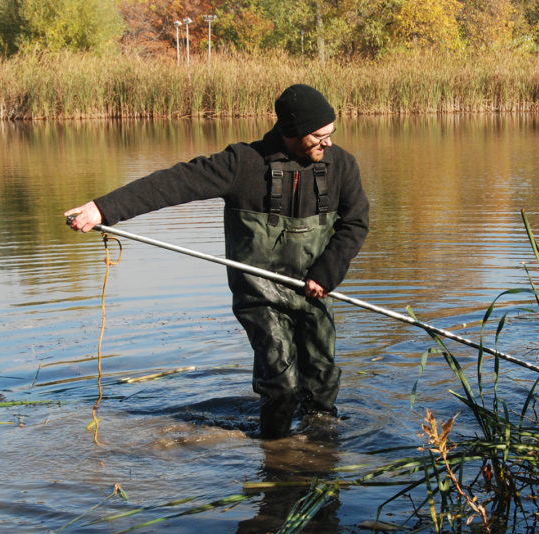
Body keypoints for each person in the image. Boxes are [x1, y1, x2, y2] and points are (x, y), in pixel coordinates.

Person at [65, 84, 369, 439]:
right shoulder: (242, 164)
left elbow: (355, 222)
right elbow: (173, 183)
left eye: (332, 133)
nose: (328, 143)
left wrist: (327, 272)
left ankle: (320, 450)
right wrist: (103, 209)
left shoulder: (341, 166)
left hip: (313, 288)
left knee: (321, 377)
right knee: (282, 383)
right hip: (259, 294)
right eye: (319, 136)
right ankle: (277, 453)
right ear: (291, 131)